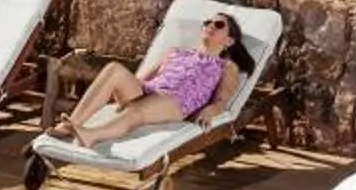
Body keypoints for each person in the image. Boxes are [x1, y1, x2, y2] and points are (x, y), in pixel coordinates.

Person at [46, 12, 254, 149]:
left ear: (229, 41)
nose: (210, 25)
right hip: (149, 91)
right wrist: (115, 96)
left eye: (218, 24)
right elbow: (141, 80)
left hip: (176, 102)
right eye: (207, 22)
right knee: (114, 69)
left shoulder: (226, 67)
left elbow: (222, 100)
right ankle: (72, 124)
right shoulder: (176, 52)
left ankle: (93, 135)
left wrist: (209, 112)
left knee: (137, 110)